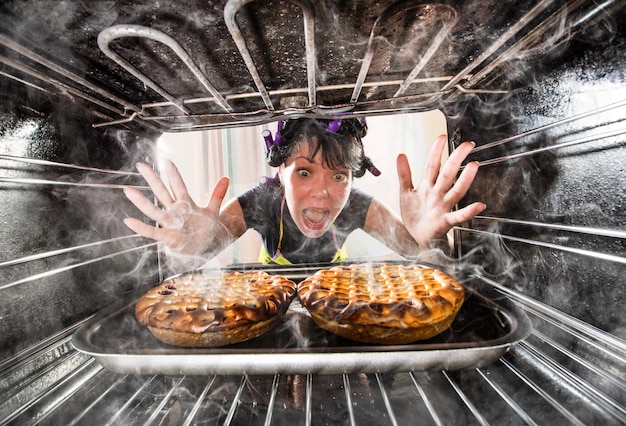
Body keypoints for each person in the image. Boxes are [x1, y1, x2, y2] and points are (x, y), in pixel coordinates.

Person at [123, 117, 485, 267]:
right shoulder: (262, 203)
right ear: (280, 172)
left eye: (339, 176)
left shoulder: (358, 205)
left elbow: (428, 260)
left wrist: (431, 242)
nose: (322, 194)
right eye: (304, 172)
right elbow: (201, 248)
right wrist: (191, 249)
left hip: (338, 307)